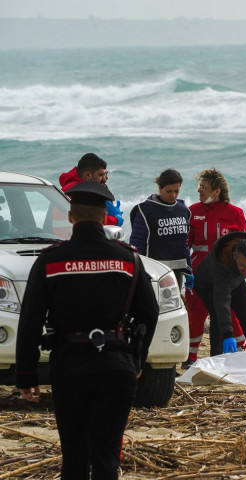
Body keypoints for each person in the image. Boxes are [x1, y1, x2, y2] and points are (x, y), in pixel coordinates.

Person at [15, 181, 159, 479]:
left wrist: (26, 375)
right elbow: (150, 312)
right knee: (106, 458)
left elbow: (29, 320)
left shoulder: (50, 260)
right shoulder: (128, 258)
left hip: (70, 368)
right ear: (105, 217)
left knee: (75, 457)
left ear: (70, 217)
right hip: (117, 367)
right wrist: (138, 359)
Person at [184, 168, 246, 365]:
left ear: (216, 191)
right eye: (200, 186)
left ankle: (241, 351)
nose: (199, 190)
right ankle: (190, 358)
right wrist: (185, 269)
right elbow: (184, 244)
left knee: (230, 314)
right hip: (199, 273)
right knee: (195, 313)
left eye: (204, 187)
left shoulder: (235, 213)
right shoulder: (192, 211)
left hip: (227, 275)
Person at [193, 231, 246, 356]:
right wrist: (228, 335)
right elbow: (222, 304)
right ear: (234, 256)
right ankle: (217, 357)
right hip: (207, 285)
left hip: (235, 280)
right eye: (243, 265)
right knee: (218, 317)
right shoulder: (222, 265)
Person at [129, 168, 192, 288]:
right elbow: (137, 244)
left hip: (177, 273)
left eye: (176, 191)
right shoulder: (145, 211)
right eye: (168, 191)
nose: (173, 195)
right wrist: (138, 273)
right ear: (159, 188)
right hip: (153, 273)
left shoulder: (183, 210)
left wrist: (189, 269)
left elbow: (184, 242)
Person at [59, 152, 124, 226]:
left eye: (106, 174)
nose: (105, 179)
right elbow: (88, 220)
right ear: (88, 175)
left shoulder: (72, 187)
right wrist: (115, 220)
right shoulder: (78, 192)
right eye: (101, 175)